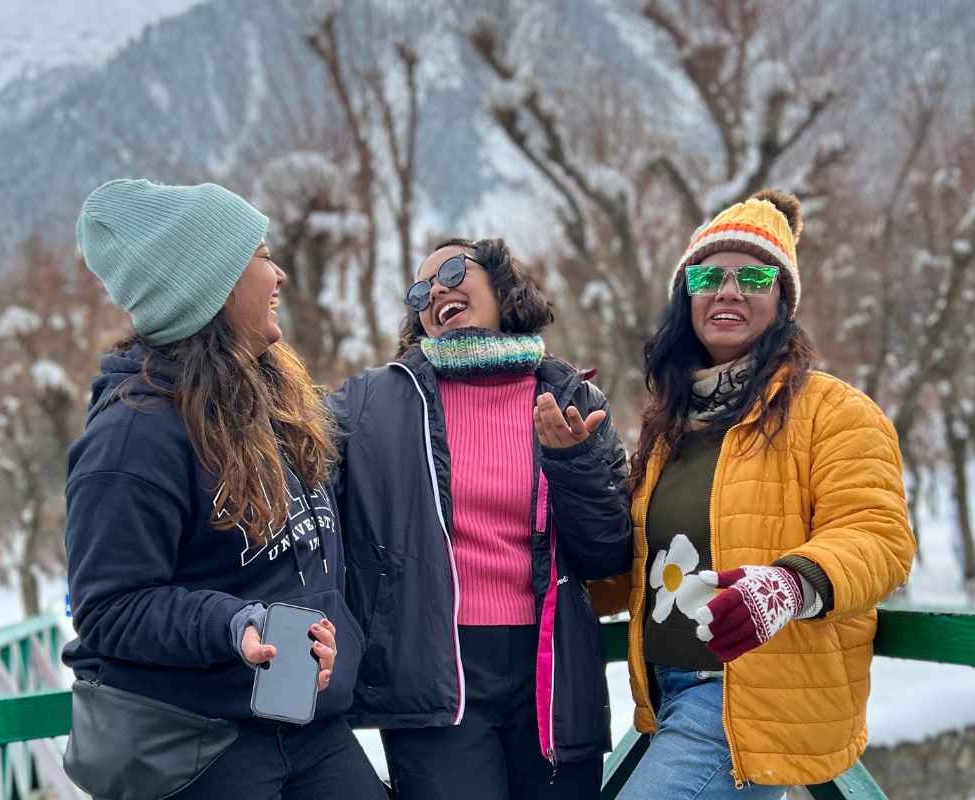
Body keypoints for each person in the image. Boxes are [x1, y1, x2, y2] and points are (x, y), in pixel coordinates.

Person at [62, 179, 383, 800]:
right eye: (261, 255)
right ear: (214, 286)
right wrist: (231, 624)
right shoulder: (135, 435)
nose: (280, 273)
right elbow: (109, 608)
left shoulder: (278, 407)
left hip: (305, 725)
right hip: (197, 742)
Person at [591, 190, 915, 799]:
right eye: (710, 275)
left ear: (783, 300)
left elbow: (879, 535)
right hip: (666, 698)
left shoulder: (834, 410)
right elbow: (635, 565)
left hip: (749, 693)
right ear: (687, 296)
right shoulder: (669, 426)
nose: (729, 290)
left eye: (755, 275)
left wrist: (791, 585)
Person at [329, 238, 632, 799]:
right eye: (420, 291)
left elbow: (608, 552)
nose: (436, 290)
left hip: (554, 671)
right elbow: (288, 465)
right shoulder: (374, 403)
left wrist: (571, 462)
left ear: (502, 284)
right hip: (434, 675)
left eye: (451, 269)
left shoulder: (571, 396)